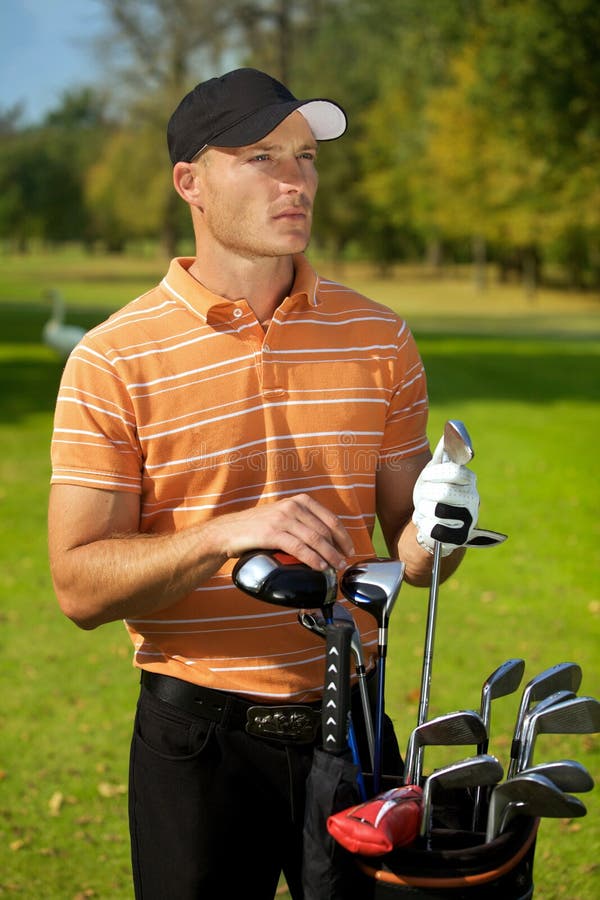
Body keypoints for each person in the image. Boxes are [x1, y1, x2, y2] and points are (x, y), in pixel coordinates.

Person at [48, 68, 487, 899]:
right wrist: (225, 533)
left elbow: (414, 561)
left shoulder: (380, 338)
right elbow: (78, 585)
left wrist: (440, 527)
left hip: (357, 722)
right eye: (262, 157)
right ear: (190, 182)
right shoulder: (112, 359)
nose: (297, 181)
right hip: (197, 739)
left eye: (307, 158)